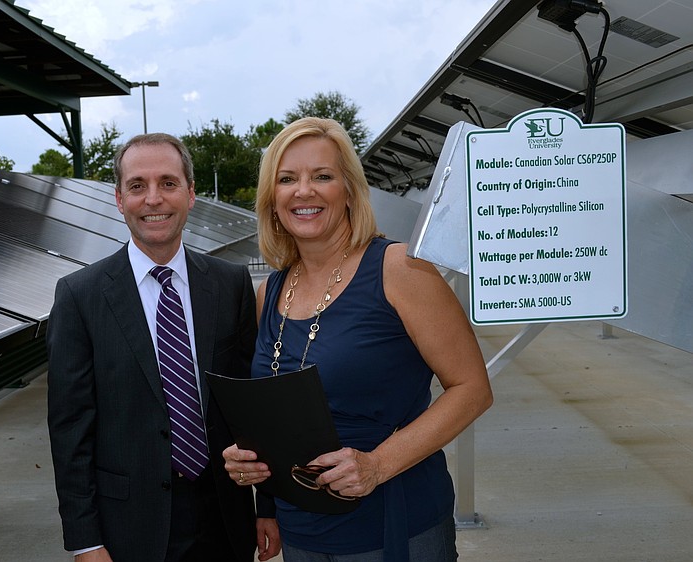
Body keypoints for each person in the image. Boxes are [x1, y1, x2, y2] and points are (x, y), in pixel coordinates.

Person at [223, 117, 493, 562]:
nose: (303, 191)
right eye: (287, 179)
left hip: (393, 522)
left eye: (322, 176)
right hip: (302, 529)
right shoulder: (269, 292)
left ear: (348, 190)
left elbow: (473, 390)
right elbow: (272, 412)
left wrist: (377, 465)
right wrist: (255, 476)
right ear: (272, 200)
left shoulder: (401, 270)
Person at [47, 132, 279, 562]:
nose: (153, 199)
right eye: (137, 186)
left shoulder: (230, 285)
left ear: (191, 194)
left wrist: (267, 506)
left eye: (168, 183)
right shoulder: (80, 296)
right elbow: (70, 429)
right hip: (127, 529)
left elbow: (252, 407)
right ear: (119, 199)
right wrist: (85, 539)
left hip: (224, 519)